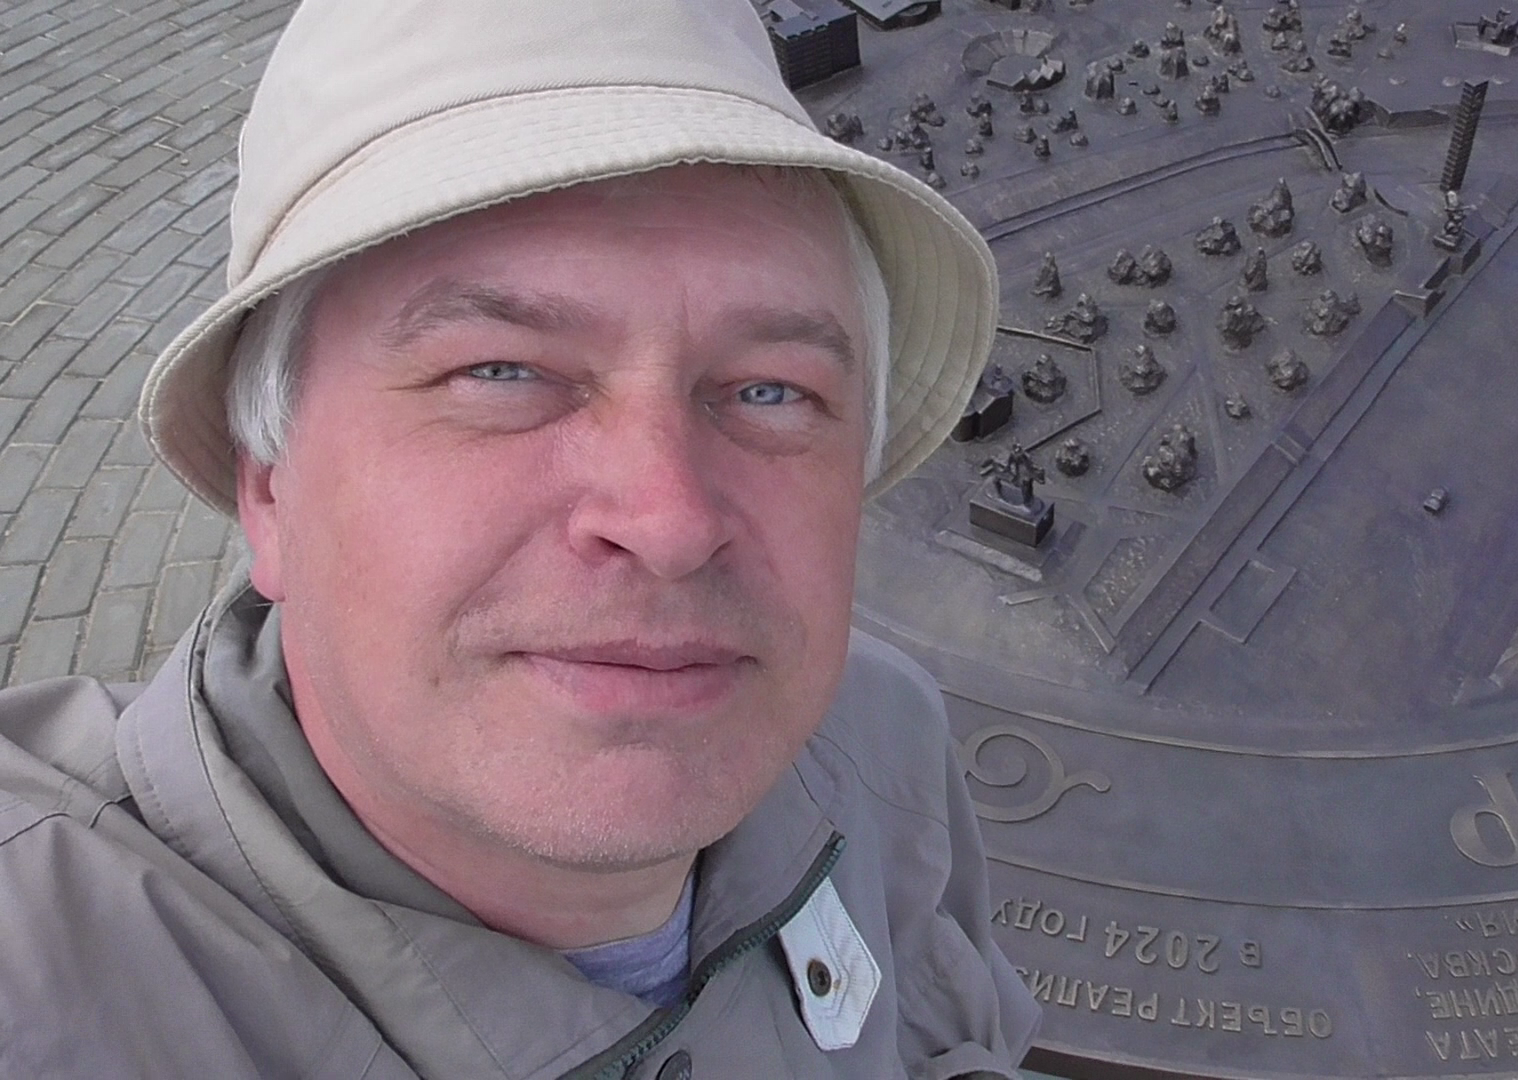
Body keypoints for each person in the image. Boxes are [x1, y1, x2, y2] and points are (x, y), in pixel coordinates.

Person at [0, 0, 1041, 1076]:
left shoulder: (880, 739)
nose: (670, 522)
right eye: (500, 373)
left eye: (770, 390)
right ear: (269, 484)